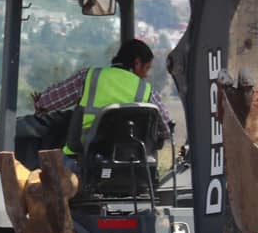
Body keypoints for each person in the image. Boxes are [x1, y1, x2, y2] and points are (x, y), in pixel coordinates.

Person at [34, 38, 174, 155]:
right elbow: (166, 131)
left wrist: (39, 102)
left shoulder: (89, 77)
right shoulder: (147, 92)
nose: (146, 75)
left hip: (86, 158)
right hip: (132, 162)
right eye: (147, 68)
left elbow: (47, 102)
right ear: (137, 63)